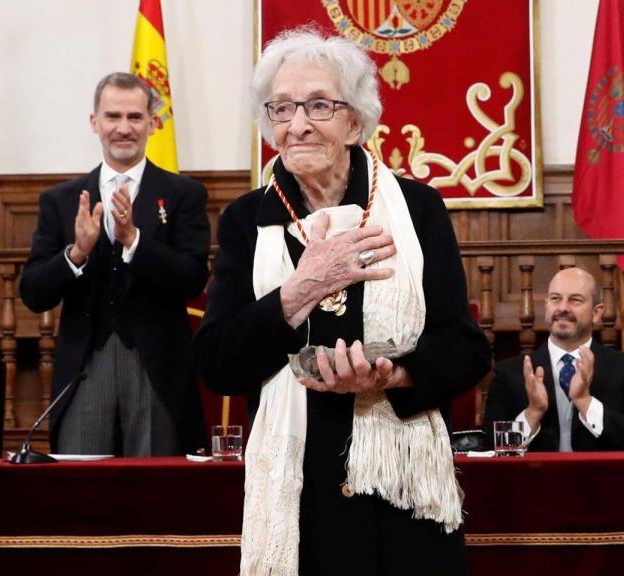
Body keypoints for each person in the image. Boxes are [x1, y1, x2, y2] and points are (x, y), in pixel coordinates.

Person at [191, 27, 491, 576]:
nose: (298, 123)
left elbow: (465, 351)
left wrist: (393, 375)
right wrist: (301, 288)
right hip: (303, 496)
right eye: (282, 108)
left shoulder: (417, 209)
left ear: (355, 122)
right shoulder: (246, 220)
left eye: (318, 105)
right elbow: (217, 363)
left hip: (403, 497)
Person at [19, 72, 210, 456]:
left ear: (152, 123)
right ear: (95, 122)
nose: (124, 128)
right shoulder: (61, 200)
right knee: (81, 487)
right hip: (85, 370)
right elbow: (33, 293)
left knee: (157, 489)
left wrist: (133, 241)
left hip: (157, 372)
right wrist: (77, 253)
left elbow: (192, 278)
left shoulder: (183, 194)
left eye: (135, 117)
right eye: (113, 116)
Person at [482, 267, 624, 451]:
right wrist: (533, 412)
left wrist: (585, 401)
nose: (563, 308)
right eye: (555, 298)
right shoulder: (509, 373)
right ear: (546, 305)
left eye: (575, 300)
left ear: (597, 313)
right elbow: (489, 449)